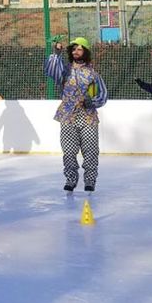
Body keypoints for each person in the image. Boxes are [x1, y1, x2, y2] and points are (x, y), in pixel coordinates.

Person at [44, 38, 108, 193]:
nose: (76, 52)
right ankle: (71, 179)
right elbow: (51, 71)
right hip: (67, 116)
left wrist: (91, 102)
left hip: (88, 117)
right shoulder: (65, 70)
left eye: (79, 49)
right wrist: (56, 53)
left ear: (85, 52)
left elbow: (102, 94)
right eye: (74, 49)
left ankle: (90, 181)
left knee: (91, 151)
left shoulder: (92, 74)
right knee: (69, 151)